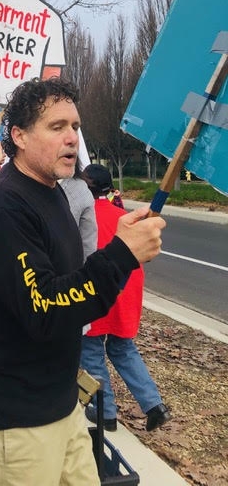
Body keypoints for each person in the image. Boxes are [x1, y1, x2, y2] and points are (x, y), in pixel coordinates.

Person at [0, 77, 166, 486]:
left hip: (61, 399)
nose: (72, 138)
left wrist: (118, 246)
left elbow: (68, 281)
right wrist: (121, 255)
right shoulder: (2, 204)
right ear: (19, 136)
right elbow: (45, 308)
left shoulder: (53, 191)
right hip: (16, 417)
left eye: (75, 126)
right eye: (57, 127)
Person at [81, 163, 172, 433]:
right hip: (127, 290)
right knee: (123, 348)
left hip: (96, 291)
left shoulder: (81, 216)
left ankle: (105, 412)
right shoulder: (125, 217)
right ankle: (154, 405)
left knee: (91, 351)